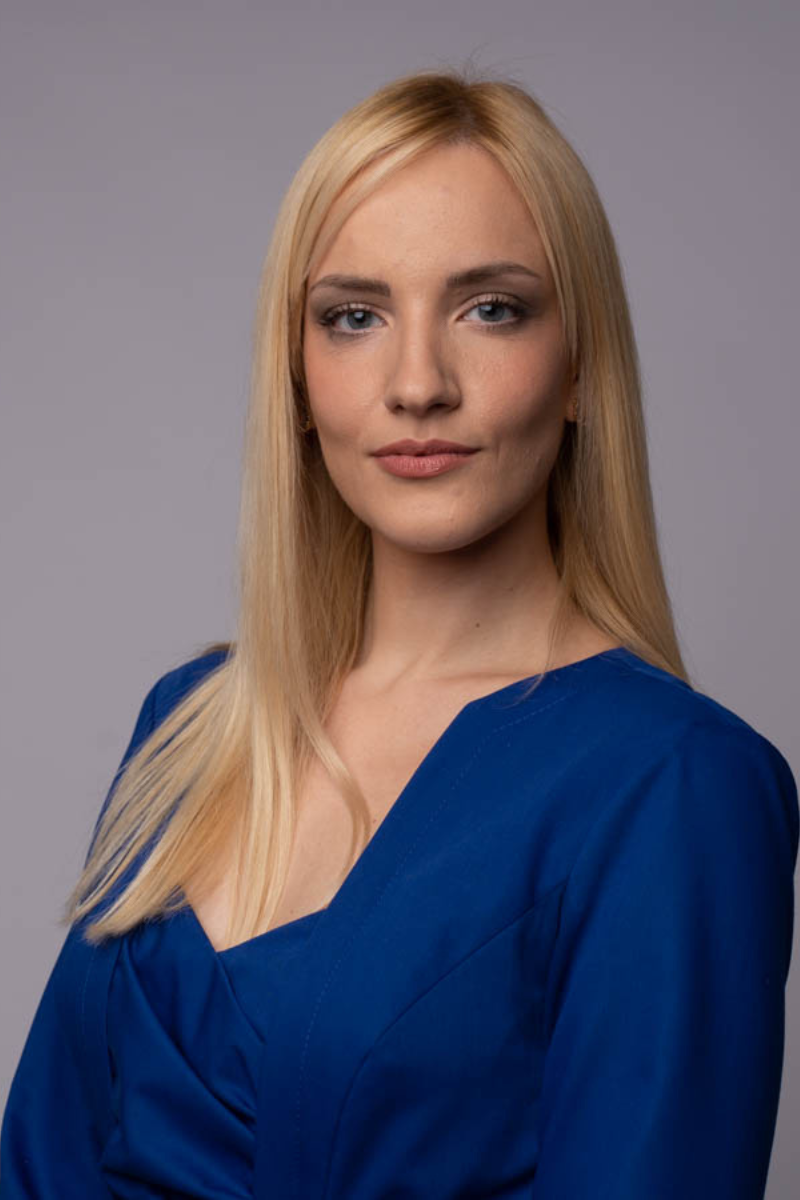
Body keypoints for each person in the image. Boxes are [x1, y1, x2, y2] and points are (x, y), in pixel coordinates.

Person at [1, 65, 797, 1200]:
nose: (417, 383)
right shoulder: (189, 728)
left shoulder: (673, 784)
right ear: (298, 374)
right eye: (354, 317)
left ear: (579, 367)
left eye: (490, 308)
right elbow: (38, 1160)